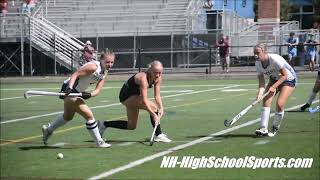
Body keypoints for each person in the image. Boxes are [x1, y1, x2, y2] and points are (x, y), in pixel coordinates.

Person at [42, 51, 115, 148]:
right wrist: (69, 88)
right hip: (70, 89)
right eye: (107, 62)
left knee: (67, 117)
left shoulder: (104, 72)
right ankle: (99, 142)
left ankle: (48, 130)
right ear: (101, 60)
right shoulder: (93, 67)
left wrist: (89, 94)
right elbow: (75, 75)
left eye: (112, 62)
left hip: (77, 92)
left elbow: (97, 90)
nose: (110, 64)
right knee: (89, 115)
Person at [98, 61, 172, 143]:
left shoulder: (158, 78)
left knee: (131, 125)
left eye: (160, 72)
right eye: (155, 72)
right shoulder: (142, 78)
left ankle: (104, 124)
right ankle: (158, 135)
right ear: (150, 70)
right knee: (153, 107)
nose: (157, 75)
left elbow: (157, 96)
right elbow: (144, 100)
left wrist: (161, 108)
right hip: (126, 97)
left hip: (136, 97)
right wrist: (153, 114)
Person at [253, 43, 297, 137]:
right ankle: (263, 128)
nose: (255, 55)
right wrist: (260, 94)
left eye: (257, 53)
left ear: (264, 52)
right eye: (254, 53)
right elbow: (261, 83)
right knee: (266, 100)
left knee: (280, 103)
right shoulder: (257, 63)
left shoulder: (274, 59)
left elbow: (285, 75)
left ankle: (274, 128)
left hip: (289, 79)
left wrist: (273, 87)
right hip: (274, 79)